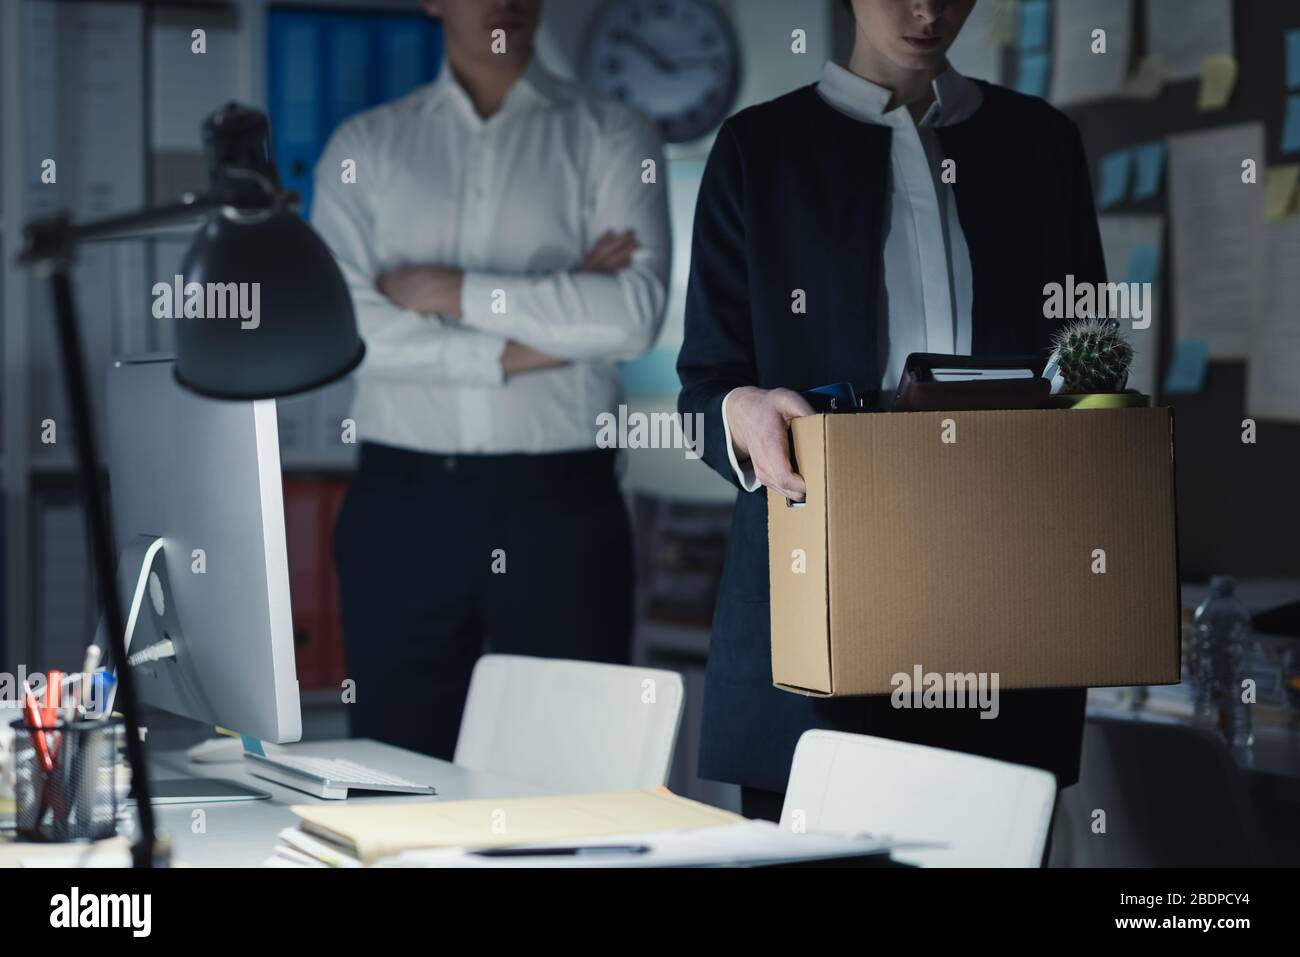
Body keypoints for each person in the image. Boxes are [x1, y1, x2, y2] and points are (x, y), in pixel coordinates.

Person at [677, 0, 1103, 825]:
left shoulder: (1042, 143)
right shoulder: (757, 150)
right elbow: (706, 382)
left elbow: (1085, 350)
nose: (925, 10)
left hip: (1008, 590)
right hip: (819, 586)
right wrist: (747, 408)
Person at [312, 0, 670, 759]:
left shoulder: (614, 133)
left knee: (572, 774)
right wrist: (552, 313)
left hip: (562, 510)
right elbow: (347, 330)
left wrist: (452, 291)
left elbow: (631, 316)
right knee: (397, 777)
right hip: (403, 510)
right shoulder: (366, 147)